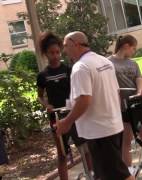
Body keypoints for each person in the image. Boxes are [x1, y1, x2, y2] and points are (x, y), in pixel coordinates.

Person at [56, 31, 134, 180]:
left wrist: (67, 122)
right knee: (107, 175)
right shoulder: (105, 62)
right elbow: (116, 92)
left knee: (120, 175)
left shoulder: (80, 68)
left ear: (76, 44)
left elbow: (84, 100)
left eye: (66, 46)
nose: (64, 50)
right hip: (112, 126)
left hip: (100, 131)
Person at [36, 32, 92, 180]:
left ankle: (92, 175)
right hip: (55, 116)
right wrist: (47, 105)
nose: (55, 56)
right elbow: (40, 96)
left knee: (85, 149)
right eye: (51, 53)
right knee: (62, 154)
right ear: (45, 54)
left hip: (73, 114)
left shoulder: (69, 69)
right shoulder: (42, 75)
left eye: (57, 52)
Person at [108, 35, 142, 171]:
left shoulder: (133, 63)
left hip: (136, 106)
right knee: (126, 141)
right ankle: (127, 171)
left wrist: (140, 90)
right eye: (133, 48)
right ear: (126, 46)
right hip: (121, 108)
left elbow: (139, 79)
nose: (134, 52)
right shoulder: (109, 63)